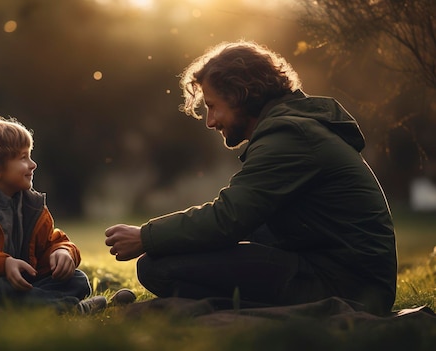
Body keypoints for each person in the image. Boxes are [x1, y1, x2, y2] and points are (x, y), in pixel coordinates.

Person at [105, 41, 397, 315]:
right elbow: (250, 224)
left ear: (241, 94)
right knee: (164, 261)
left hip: (349, 289)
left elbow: (228, 218)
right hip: (338, 274)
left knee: (156, 268)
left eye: (212, 105)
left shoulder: (290, 136)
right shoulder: (292, 130)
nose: (210, 121)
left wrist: (146, 236)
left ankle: (217, 309)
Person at [0, 113, 134, 313]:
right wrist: (3, 264)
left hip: (19, 282)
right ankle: (70, 308)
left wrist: (63, 252)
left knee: (76, 279)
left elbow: (51, 242)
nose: (33, 164)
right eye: (23, 158)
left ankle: (45, 304)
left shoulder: (30, 205)